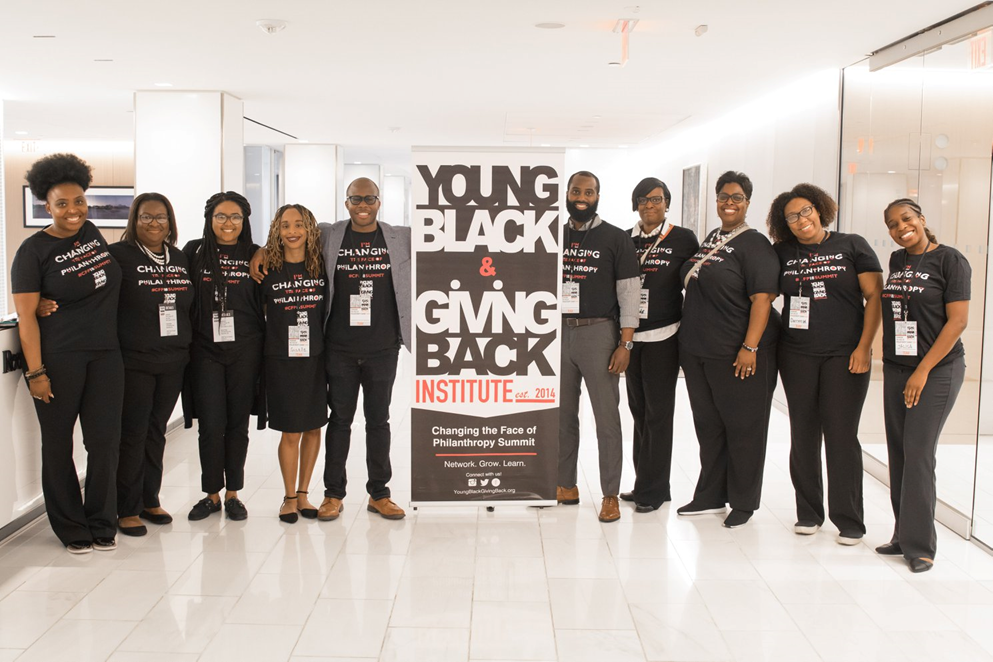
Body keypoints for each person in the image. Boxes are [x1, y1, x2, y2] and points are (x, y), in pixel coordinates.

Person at [252, 178, 412, 521]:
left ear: (379, 202)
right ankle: (333, 495)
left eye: (369, 198)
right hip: (338, 348)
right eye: (356, 199)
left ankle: (379, 494)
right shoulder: (329, 234)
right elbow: (291, 235)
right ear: (346, 202)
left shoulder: (399, 237)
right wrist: (261, 250)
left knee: (378, 421)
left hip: (383, 347)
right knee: (339, 421)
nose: (363, 204)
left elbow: (441, 238)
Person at [10, 153, 123, 553]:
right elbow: (26, 318)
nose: (73, 210)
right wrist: (35, 372)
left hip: (107, 356)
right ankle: (72, 528)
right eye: (62, 204)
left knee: (105, 442)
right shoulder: (32, 251)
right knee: (58, 445)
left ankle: (100, 521)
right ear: (47, 205)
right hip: (60, 358)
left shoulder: (91, 233)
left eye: (78, 201)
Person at [767, 183, 882, 545]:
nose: (801, 221)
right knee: (802, 433)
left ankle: (849, 519)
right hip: (797, 353)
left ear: (819, 209)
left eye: (806, 212)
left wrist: (865, 347)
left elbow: (875, 296)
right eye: (791, 217)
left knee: (841, 435)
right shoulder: (781, 252)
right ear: (784, 224)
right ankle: (809, 512)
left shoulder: (851, 244)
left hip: (845, 355)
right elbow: (763, 293)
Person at [677, 170, 780, 529]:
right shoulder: (712, 238)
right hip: (699, 352)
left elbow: (762, 299)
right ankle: (709, 494)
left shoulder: (756, 245)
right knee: (709, 426)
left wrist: (750, 346)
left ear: (748, 202)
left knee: (744, 428)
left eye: (737, 197)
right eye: (724, 196)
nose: (729, 203)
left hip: (737, 354)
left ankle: (743, 501)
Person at [877, 198, 970, 573]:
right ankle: (903, 535)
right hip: (899, 367)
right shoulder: (897, 261)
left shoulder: (950, 260)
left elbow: (958, 322)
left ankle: (921, 546)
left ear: (921, 219)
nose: (901, 228)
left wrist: (923, 370)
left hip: (937, 370)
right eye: (893, 224)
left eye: (906, 219)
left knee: (918, 453)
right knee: (899, 452)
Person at [558, 170, 640, 523]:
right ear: (566, 194)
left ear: (598, 196)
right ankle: (565, 485)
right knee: (561, 415)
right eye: (576, 190)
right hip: (557, 333)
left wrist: (626, 342)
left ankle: (610, 494)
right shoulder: (552, 235)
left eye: (588, 192)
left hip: (600, 334)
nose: (581, 196)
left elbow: (630, 293)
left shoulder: (615, 238)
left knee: (606, 419)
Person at [109, 194, 194, 535]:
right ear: (134, 220)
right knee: (133, 431)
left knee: (156, 430)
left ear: (170, 222)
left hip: (174, 359)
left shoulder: (178, 258)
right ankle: (126, 507)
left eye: (161, 218)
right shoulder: (119, 256)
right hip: (135, 360)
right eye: (146, 217)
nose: (154, 223)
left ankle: (149, 498)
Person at [183, 192, 264, 521]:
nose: (228, 223)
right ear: (209, 219)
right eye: (221, 216)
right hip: (205, 351)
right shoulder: (194, 252)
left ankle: (233, 494)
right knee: (210, 426)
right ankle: (211, 494)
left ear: (244, 220)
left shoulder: (255, 253)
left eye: (235, 217)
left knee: (237, 425)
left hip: (246, 349)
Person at [621, 177, 699, 512]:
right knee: (639, 413)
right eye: (642, 199)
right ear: (635, 203)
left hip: (665, 337)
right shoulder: (625, 239)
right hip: (631, 339)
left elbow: (696, 285)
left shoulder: (683, 239)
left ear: (667, 202)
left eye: (656, 199)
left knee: (658, 415)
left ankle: (650, 492)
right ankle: (650, 484)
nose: (649, 205)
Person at [260, 204, 328, 523]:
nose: (292, 231)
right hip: (282, 360)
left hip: (315, 359)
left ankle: (304, 494)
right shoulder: (266, 269)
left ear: (309, 228)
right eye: (285, 225)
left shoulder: (320, 266)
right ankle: (288, 497)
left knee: (314, 427)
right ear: (277, 230)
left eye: (299, 224)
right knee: (290, 431)